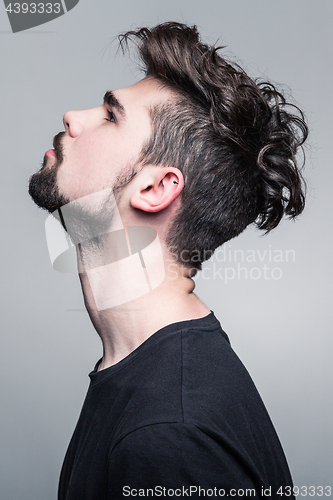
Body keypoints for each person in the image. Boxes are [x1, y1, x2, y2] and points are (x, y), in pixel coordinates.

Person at [29, 22, 307, 500]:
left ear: (156, 189)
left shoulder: (169, 434)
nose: (73, 117)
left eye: (111, 116)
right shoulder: (147, 375)